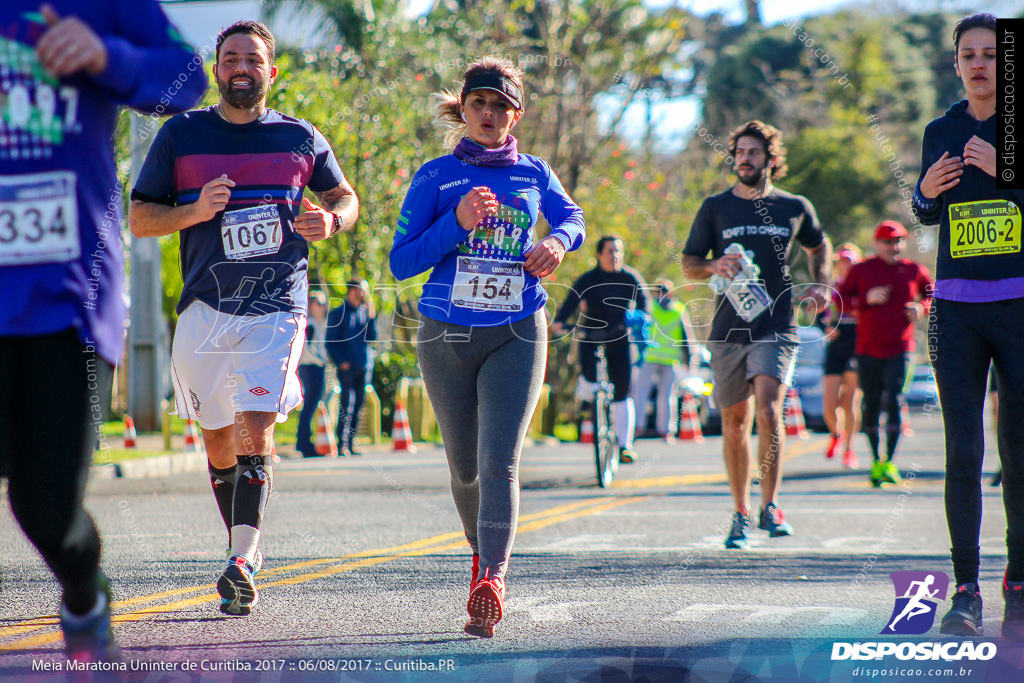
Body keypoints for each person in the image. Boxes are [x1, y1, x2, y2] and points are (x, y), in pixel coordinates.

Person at [129, 20, 359, 616]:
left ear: (270, 72)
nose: (241, 68)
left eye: (253, 60)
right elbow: (140, 219)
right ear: (215, 69)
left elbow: (345, 198)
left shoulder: (300, 138)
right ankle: (243, 545)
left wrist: (330, 221)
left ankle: (241, 557)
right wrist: (196, 210)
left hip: (276, 305)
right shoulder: (181, 136)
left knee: (258, 427)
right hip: (204, 308)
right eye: (230, 57)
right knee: (218, 438)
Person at [0, 1, 205, 661]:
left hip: (67, 301)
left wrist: (103, 55)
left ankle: (85, 598)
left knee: (46, 505)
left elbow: (186, 80)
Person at [390, 56, 584, 638]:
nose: (490, 113)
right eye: (480, 103)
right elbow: (402, 262)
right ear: (464, 109)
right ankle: (481, 555)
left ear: (515, 114)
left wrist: (558, 244)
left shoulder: (534, 173)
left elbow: (571, 217)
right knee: (465, 468)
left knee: (499, 462)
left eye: (501, 105)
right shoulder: (435, 177)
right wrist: (456, 221)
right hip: (446, 335)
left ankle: (490, 578)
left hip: (518, 330)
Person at [913, 12, 1024, 639]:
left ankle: (1019, 583)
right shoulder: (941, 129)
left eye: (990, 54)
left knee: (1018, 452)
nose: (980, 63)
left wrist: (1005, 171)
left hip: (1019, 306)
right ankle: (965, 590)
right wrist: (925, 192)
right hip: (955, 307)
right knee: (963, 450)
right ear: (956, 64)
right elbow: (927, 211)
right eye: (968, 55)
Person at [682, 120, 831, 550]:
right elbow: (690, 262)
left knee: (768, 409)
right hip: (728, 327)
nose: (744, 159)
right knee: (733, 423)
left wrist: (821, 282)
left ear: (770, 159)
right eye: (739, 152)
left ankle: (771, 505)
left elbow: (818, 245)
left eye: (753, 152)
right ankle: (740, 512)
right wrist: (713, 267)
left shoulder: (793, 206)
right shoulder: (715, 207)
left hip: (776, 324)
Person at [839, 222, 932, 487]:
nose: (895, 247)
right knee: (870, 403)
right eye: (889, 242)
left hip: (900, 349)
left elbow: (934, 293)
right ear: (877, 244)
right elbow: (840, 299)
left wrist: (921, 306)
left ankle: (888, 461)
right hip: (867, 350)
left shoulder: (913, 270)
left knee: (893, 399)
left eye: (899, 241)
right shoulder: (861, 270)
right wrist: (865, 299)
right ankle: (875, 460)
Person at [551, 235, 648, 463]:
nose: (615, 255)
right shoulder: (588, 279)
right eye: (610, 251)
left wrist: (640, 319)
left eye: (618, 251)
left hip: (620, 336)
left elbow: (645, 305)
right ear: (599, 254)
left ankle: (625, 446)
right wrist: (559, 321)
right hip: (590, 334)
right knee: (588, 375)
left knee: (623, 392)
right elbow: (569, 303)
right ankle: (588, 401)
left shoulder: (630, 278)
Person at [631, 280, 692, 441]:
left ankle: (637, 428)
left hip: (650, 355)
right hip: (670, 358)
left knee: (641, 393)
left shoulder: (650, 307)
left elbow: (639, 327)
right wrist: (688, 358)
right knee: (667, 396)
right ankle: (666, 431)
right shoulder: (679, 308)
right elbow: (686, 336)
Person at [821, 243, 863, 469]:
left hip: (856, 342)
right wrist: (825, 328)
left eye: (851, 262)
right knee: (829, 404)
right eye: (843, 261)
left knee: (849, 401)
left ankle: (849, 449)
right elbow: (819, 313)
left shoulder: (863, 285)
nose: (846, 266)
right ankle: (836, 434)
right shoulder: (831, 286)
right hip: (835, 345)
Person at [325, 279, 377, 456]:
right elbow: (330, 342)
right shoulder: (338, 313)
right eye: (363, 291)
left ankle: (352, 443)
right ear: (353, 291)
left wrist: (372, 317)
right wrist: (341, 362)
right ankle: (342, 443)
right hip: (347, 367)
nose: (365, 294)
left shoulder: (364, 312)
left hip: (364, 366)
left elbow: (372, 337)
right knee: (347, 404)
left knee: (359, 405)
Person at [295, 290, 329, 457]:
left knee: (311, 404)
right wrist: (321, 360)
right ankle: (304, 443)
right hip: (311, 367)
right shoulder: (310, 324)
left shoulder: (315, 323)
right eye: (319, 304)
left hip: (313, 366)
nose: (323, 308)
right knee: (310, 404)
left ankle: (305, 442)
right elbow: (307, 349)